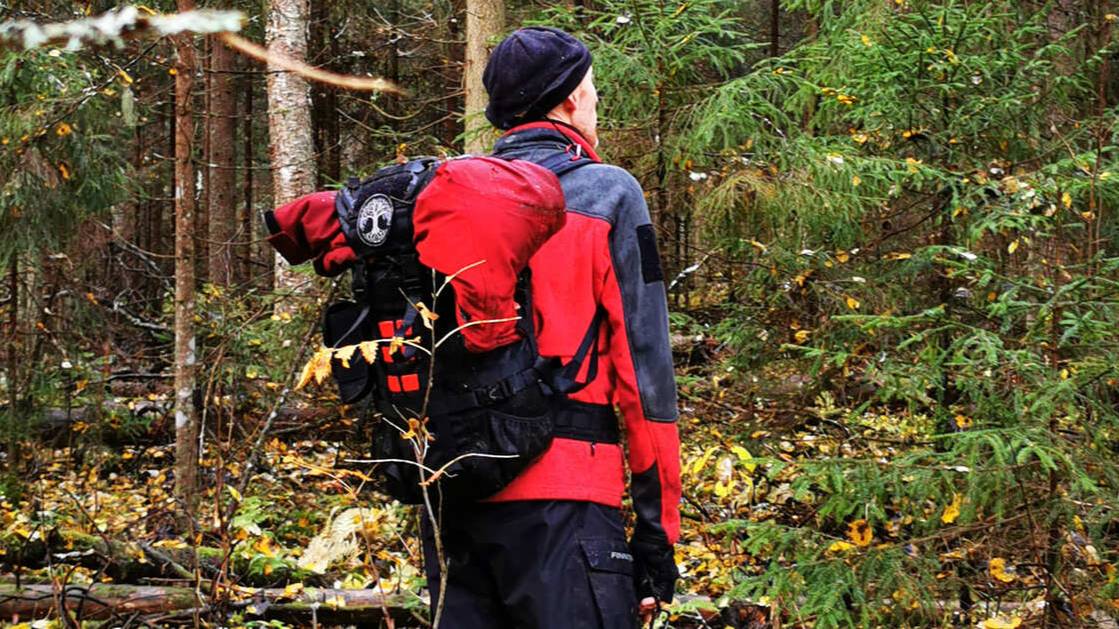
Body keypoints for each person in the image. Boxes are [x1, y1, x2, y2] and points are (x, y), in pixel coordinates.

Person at [420, 26, 681, 628]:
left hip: (453, 495)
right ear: (568, 101)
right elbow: (646, 380)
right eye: (592, 93)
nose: (595, 106)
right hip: (569, 503)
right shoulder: (609, 193)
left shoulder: (447, 197)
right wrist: (655, 535)